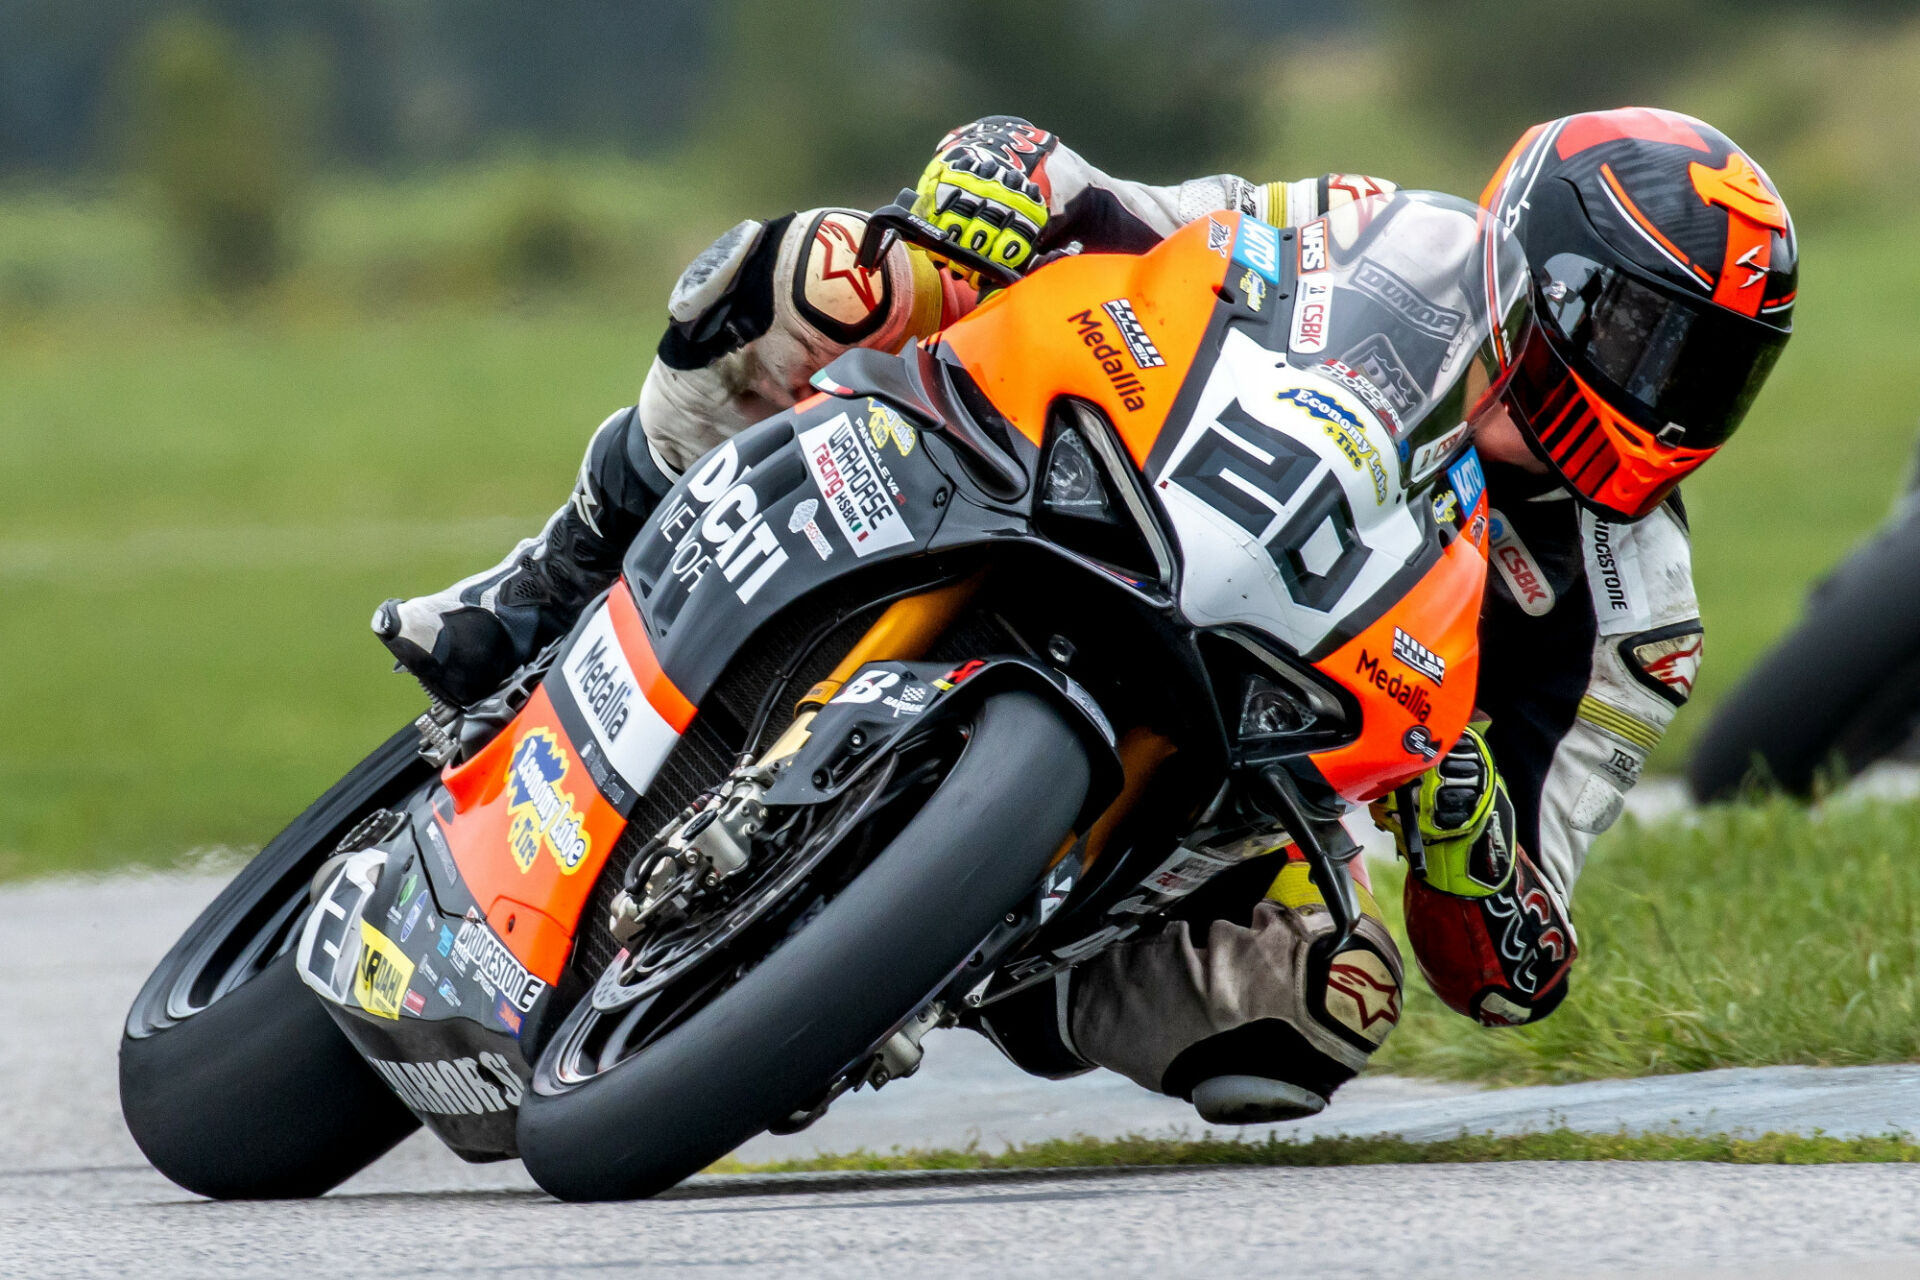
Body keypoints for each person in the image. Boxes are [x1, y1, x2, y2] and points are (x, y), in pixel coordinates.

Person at [371, 109, 1796, 1121]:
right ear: (1551, 278)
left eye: (1716, 373)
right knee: (830, 271)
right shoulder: (1392, 235)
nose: (1671, 399)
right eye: (1649, 338)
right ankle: (545, 577)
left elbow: (1518, 962)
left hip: (1241, 776)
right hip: (1093, 481)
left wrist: (1472, 845)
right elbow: (1160, 224)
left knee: (1328, 1009)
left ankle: (976, 967)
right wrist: (1009, 181)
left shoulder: (1635, 615)